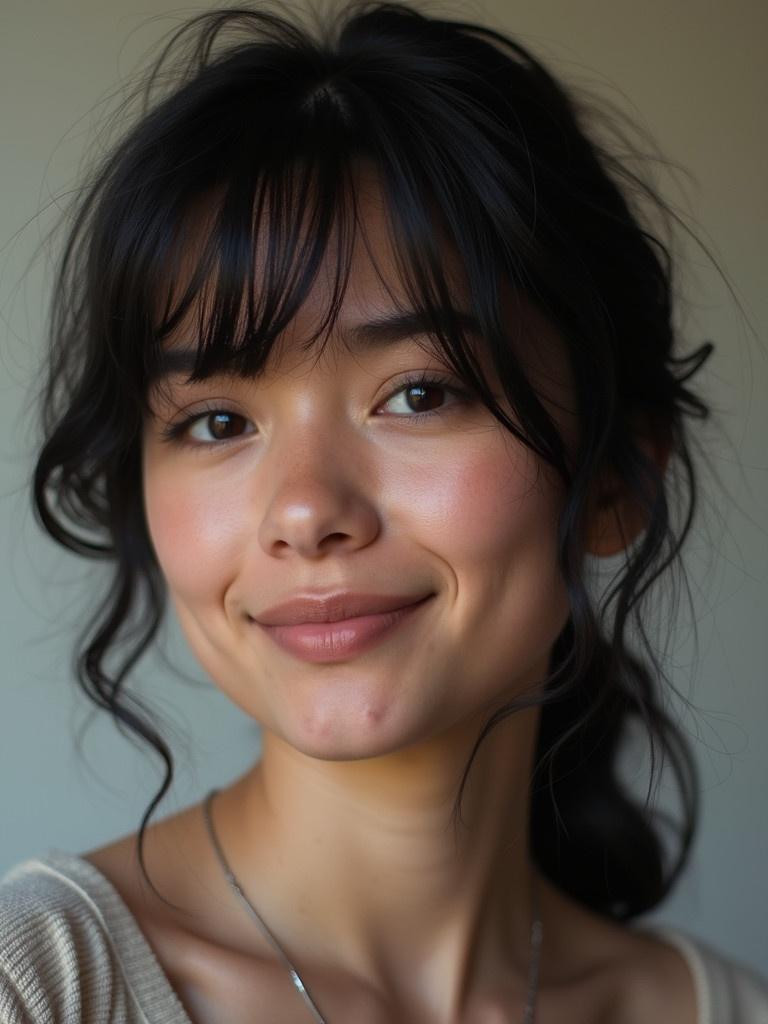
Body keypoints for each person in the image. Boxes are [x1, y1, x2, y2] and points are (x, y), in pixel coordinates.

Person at [1, 2, 766, 1022]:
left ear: (618, 476)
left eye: (420, 393)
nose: (308, 509)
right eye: (219, 418)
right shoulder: (40, 987)